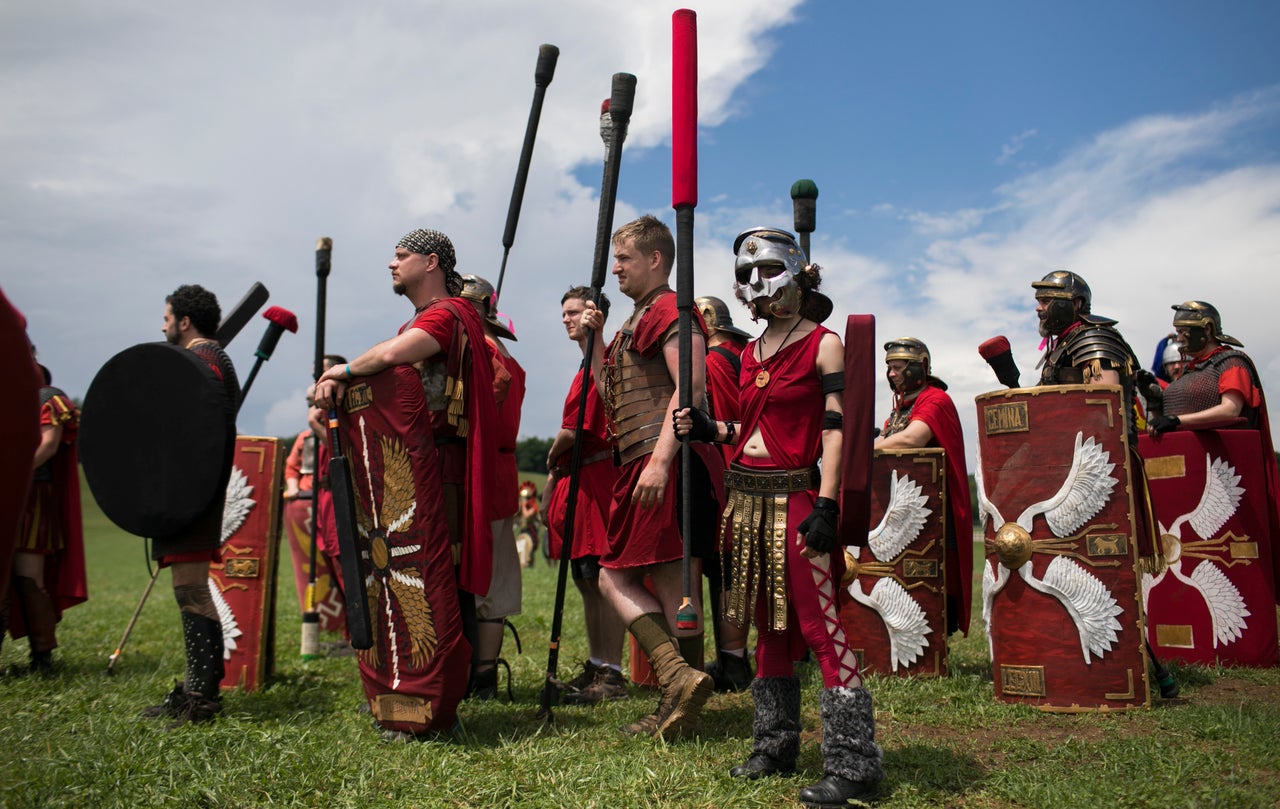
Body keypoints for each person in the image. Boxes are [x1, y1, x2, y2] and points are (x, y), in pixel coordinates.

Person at [676, 227, 882, 808]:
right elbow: (751, 431)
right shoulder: (747, 352)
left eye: (764, 271)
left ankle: (854, 763)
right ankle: (774, 745)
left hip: (796, 499)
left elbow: (835, 430)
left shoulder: (824, 343)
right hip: (745, 501)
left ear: (795, 273)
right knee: (766, 627)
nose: (754, 286)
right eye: (744, 276)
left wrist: (829, 503)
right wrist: (709, 428)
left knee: (820, 627)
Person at [314, 229, 496, 737]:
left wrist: (342, 370)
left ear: (430, 261)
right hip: (416, 471)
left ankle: (443, 703)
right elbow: (392, 353)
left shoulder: (449, 313)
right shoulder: (416, 320)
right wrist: (344, 378)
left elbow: (396, 355)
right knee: (406, 580)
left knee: (439, 578)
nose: (391, 264)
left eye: (401, 256)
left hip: (441, 470)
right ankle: (415, 689)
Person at [577, 215, 722, 739]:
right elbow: (610, 397)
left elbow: (691, 390)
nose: (615, 268)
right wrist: (593, 343)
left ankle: (676, 679)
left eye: (625, 259)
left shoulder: (670, 310)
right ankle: (682, 703)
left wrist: (661, 461)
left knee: (615, 576)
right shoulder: (636, 319)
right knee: (666, 587)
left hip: (664, 461)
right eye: (614, 258)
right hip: (639, 459)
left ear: (655, 260)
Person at [142, 284, 239, 725]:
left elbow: (192, 431)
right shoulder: (211, 361)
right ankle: (201, 687)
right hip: (193, 489)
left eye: (167, 318)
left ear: (184, 321)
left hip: (191, 492)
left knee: (191, 588)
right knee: (192, 588)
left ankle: (201, 697)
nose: (163, 326)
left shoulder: (202, 362)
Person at [543, 285, 627, 705]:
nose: (566, 319)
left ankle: (612, 672)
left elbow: (578, 429)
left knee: (603, 580)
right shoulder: (584, 365)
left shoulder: (604, 361)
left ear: (595, 315)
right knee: (586, 580)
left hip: (598, 484)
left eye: (573, 311)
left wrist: (550, 453)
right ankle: (597, 663)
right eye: (564, 313)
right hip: (582, 485)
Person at [873, 337, 972, 636]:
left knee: (935, 587)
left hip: (934, 517)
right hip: (907, 515)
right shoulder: (900, 409)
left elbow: (912, 439)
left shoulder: (935, 399)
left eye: (898, 367)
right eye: (889, 368)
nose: (891, 374)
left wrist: (869, 449)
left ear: (919, 368)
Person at [459, 274, 524, 699]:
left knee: (480, 582)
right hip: (497, 474)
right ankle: (481, 675)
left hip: (474, 474)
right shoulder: (501, 354)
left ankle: (475, 675)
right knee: (493, 583)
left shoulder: (480, 352)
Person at [7, 362, 87, 675]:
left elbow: (49, 444)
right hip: (9, 497)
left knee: (28, 577)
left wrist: (13, 474)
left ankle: (42, 659)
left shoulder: (46, 397)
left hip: (32, 497)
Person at [695, 294, 753, 691]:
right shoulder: (742, 354)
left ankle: (733, 664)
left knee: (728, 568)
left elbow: (716, 416)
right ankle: (733, 659)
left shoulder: (714, 361)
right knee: (729, 568)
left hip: (726, 462)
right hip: (746, 462)